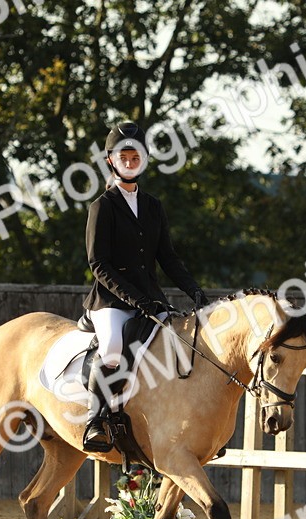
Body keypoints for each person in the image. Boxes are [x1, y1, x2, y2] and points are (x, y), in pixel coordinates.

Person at [81, 121, 209, 452]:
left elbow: (167, 256)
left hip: (150, 300)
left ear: (145, 159)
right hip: (110, 302)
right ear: (111, 160)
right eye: (123, 154)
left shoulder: (153, 206)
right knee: (111, 350)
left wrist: (193, 289)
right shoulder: (103, 206)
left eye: (136, 154)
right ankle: (96, 421)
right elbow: (98, 264)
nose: (130, 159)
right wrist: (135, 299)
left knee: (178, 347)